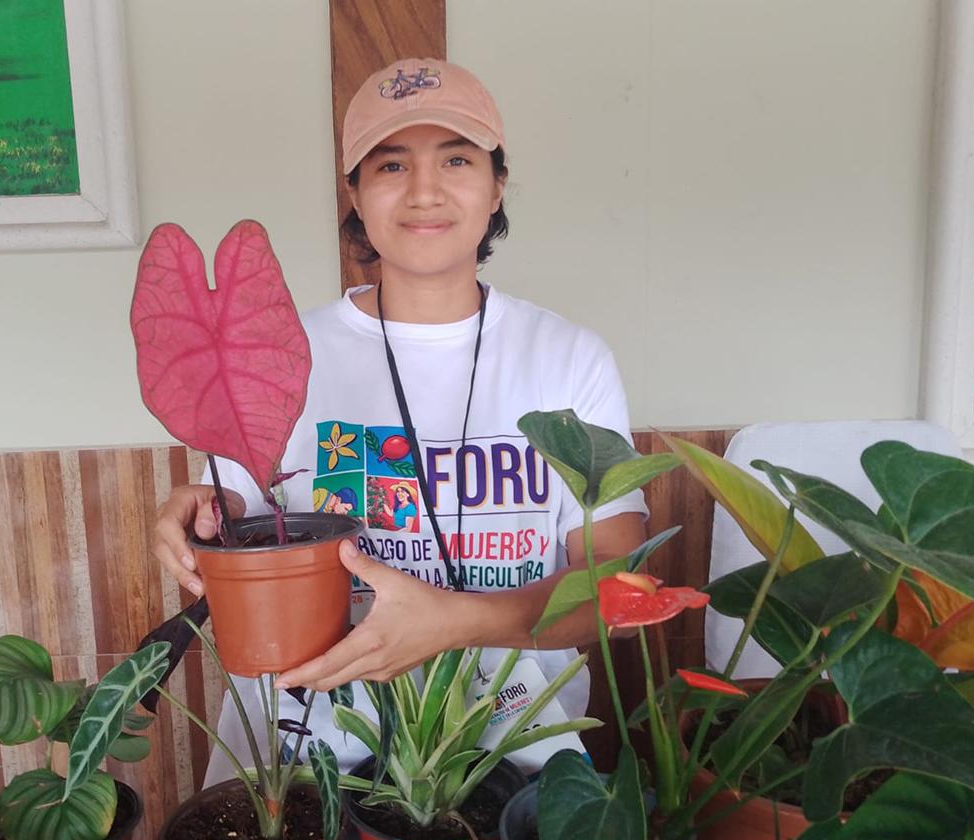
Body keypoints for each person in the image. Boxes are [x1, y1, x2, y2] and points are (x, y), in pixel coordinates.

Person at [151, 58, 648, 781]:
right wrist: (200, 506)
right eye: (390, 165)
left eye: (456, 158)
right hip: (310, 742)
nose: (424, 191)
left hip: (514, 743)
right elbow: (239, 514)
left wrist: (458, 620)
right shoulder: (289, 352)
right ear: (353, 191)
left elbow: (616, 584)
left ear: (497, 182)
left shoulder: (569, 358)